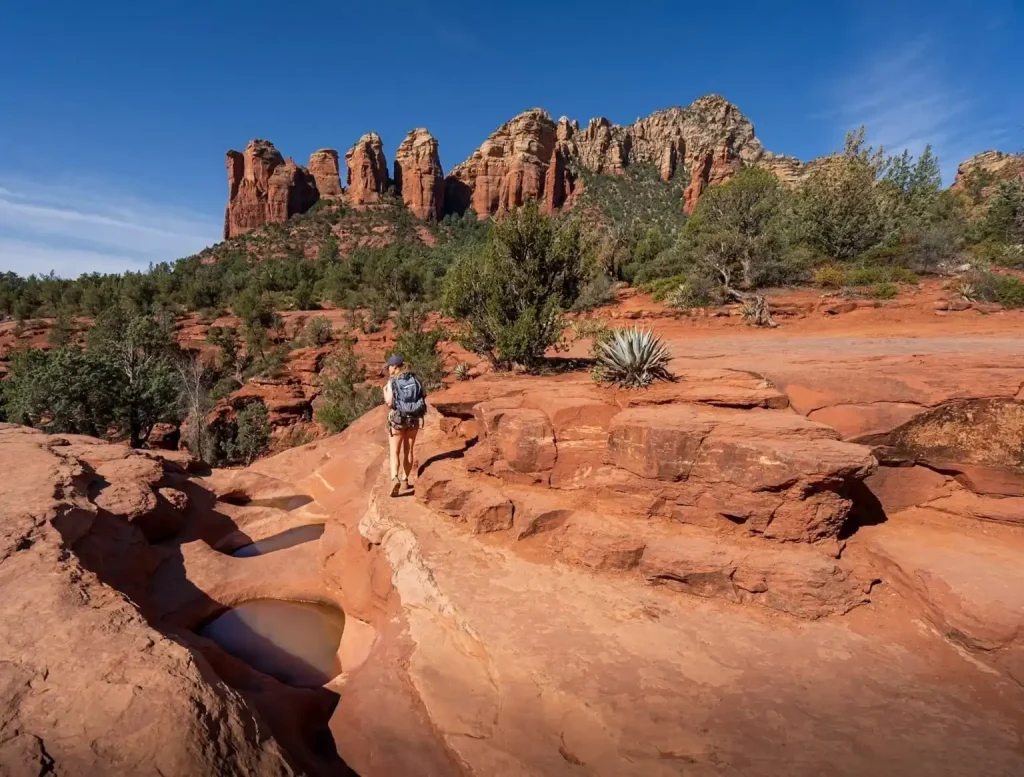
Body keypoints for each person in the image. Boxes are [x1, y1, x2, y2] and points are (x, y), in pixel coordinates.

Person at [382, 354, 426, 496]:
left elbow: (389, 402)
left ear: (395, 366)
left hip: (398, 418)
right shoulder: (414, 379)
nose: (388, 369)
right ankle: (405, 480)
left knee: (394, 451)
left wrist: (385, 391)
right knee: (409, 450)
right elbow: (422, 395)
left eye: (389, 366)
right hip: (413, 418)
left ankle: (395, 478)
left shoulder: (392, 381)